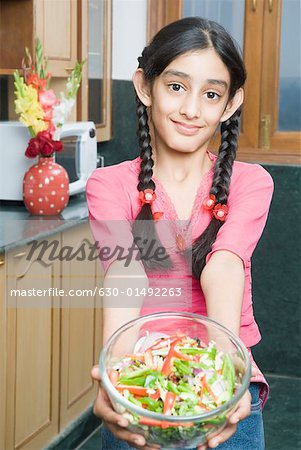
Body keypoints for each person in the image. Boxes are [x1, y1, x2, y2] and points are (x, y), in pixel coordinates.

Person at [86, 17, 274, 450]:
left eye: (211, 94)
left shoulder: (251, 182)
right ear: (144, 86)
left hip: (224, 394)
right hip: (142, 395)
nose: (192, 109)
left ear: (230, 104)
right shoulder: (111, 186)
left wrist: (224, 377)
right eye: (176, 86)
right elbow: (127, 271)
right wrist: (116, 375)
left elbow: (224, 264)